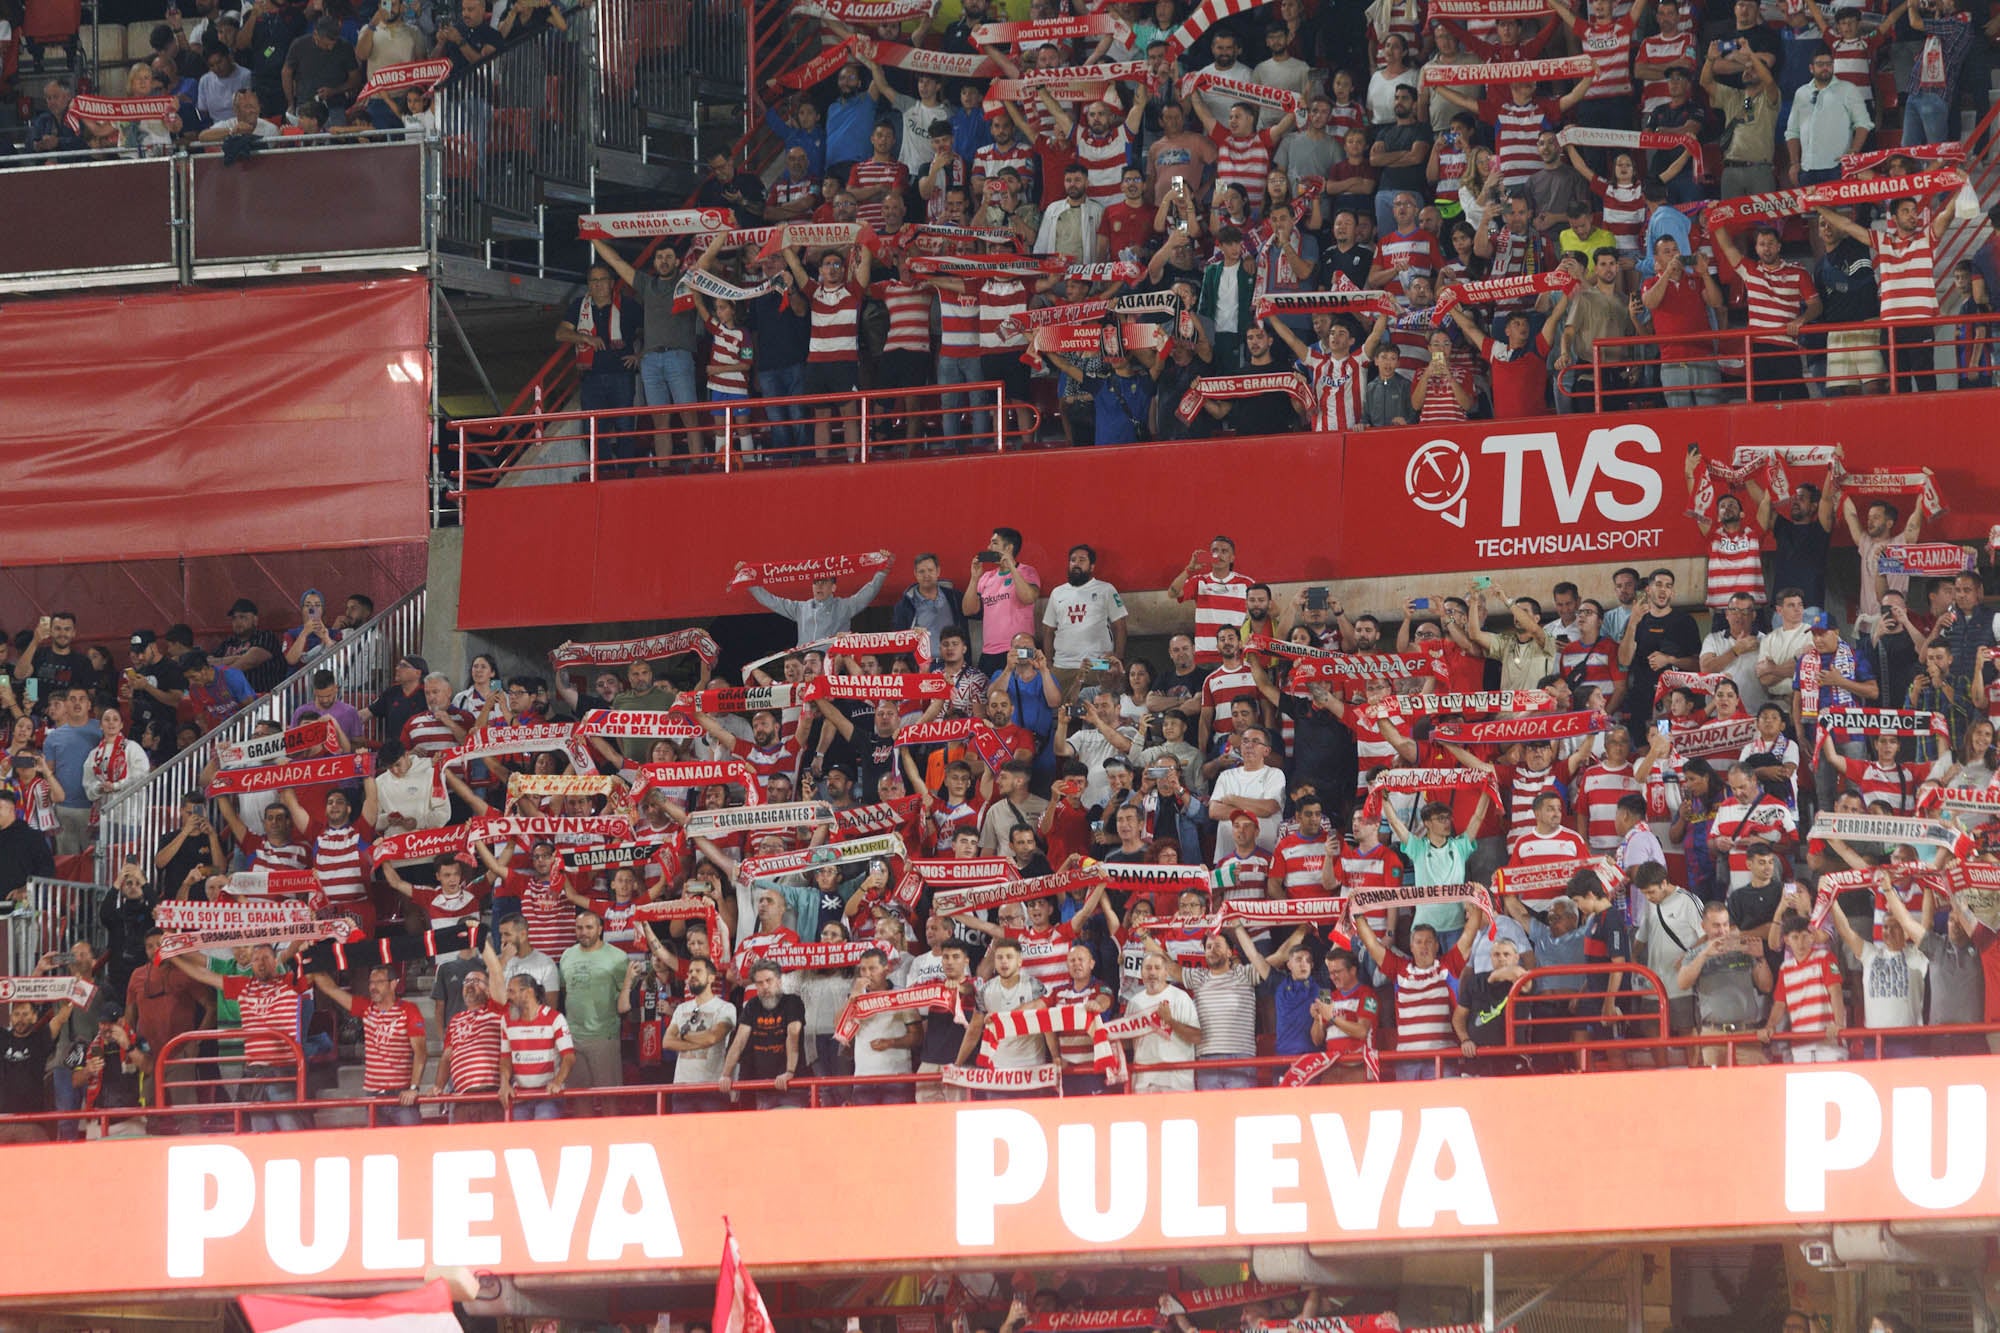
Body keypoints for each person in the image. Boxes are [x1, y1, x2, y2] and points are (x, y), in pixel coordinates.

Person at [310, 965, 427, 1125]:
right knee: (377, 1142)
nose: (373, 987)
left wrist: (413, 1088)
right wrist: (311, 965)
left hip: (401, 1095)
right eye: (371, 982)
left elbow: (421, 1053)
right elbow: (332, 989)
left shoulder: (409, 1010)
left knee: (412, 1140)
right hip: (373, 1096)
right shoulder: (366, 1008)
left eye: (379, 982)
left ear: (393, 984)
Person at [743, 555, 891, 642]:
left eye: (824, 582)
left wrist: (882, 572)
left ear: (833, 587)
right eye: (816, 582)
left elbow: (868, 593)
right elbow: (770, 600)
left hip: (831, 666)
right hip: (805, 666)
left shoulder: (844, 606)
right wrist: (748, 579)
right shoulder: (800, 608)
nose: (819, 586)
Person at [720, 960, 807, 1109]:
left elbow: (793, 1034)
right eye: (760, 983)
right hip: (763, 1086)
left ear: (779, 981)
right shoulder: (752, 1005)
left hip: (791, 1085)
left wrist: (789, 1071)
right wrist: (726, 1075)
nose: (765, 986)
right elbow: (739, 1041)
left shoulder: (792, 1001)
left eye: (769, 980)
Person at [498, 972, 575, 1120]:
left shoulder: (555, 1018)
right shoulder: (506, 1020)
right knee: (518, 1132)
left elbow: (569, 1057)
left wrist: (557, 1082)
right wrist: (504, 1084)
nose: (508, 997)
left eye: (512, 991)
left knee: (543, 1126)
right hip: (520, 1095)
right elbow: (505, 1058)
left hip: (548, 1095)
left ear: (528, 992)